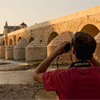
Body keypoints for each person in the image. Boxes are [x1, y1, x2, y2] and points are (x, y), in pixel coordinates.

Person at [33, 32, 100, 100]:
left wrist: (55, 52)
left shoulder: (60, 76)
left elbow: (36, 74)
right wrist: (87, 53)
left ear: (73, 50)